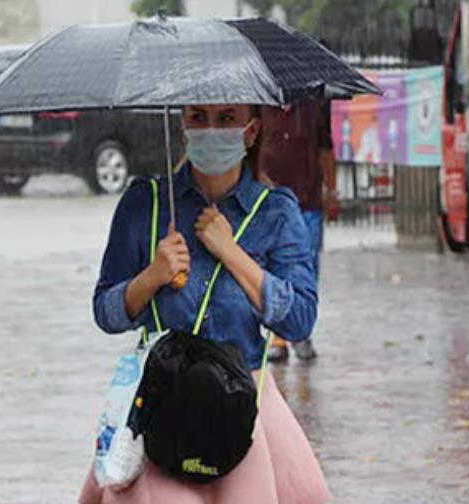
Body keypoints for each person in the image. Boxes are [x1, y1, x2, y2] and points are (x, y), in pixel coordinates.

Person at [80, 103, 331, 504]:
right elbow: (105, 312)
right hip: (163, 395)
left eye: (227, 119)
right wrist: (153, 276)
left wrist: (232, 253)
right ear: (182, 124)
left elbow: (299, 321)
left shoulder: (275, 211)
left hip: (241, 394)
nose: (211, 130)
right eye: (198, 117)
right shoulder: (146, 204)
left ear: (250, 132)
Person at [257, 98, 336, 362]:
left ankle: (302, 333)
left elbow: (326, 149)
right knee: (272, 269)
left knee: (306, 268)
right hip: (269, 205)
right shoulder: (258, 104)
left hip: (308, 203)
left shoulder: (315, 105)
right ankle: (278, 336)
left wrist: (332, 191)